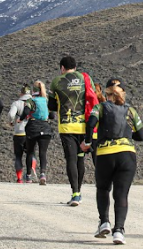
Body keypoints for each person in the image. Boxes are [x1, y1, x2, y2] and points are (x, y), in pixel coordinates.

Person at [82, 82, 143, 245]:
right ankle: (119, 231)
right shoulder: (131, 110)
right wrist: (128, 135)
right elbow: (142, 135)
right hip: (127, 154)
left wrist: (87, 142)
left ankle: (104, 222)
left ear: (107, 94)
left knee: (103, 189)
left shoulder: (100, 107)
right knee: (121, 194)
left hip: (105, 153)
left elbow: (90, 124)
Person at [49, 55, 96, 206]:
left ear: (62, 68)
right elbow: (93, 97)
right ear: (75, 67)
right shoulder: (85, 79)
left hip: (66, 126)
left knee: (71, 159)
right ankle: (79, 192)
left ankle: (75, 193)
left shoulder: (57, 81)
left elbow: (50, 105)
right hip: (84, 126)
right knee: (80, 158)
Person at [23, 80, 54, 186]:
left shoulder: (31, 100)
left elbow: (26, 111)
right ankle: (43, 174)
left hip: (33, 127)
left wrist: (20, 119)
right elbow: (52, 116)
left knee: (30, 152)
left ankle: (28, 176)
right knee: (43, 152)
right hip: (46, 128)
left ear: (33, 89)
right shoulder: (46, 100)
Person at [9, 84, 33, 183]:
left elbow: (11, 114)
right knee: (30, 154)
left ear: (21, 93)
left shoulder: (16, 103)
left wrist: (11, 121)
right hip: (30, 132)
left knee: (18, 156)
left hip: (18, 132)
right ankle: (29, 176)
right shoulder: (34, 102)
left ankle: (19, 178)